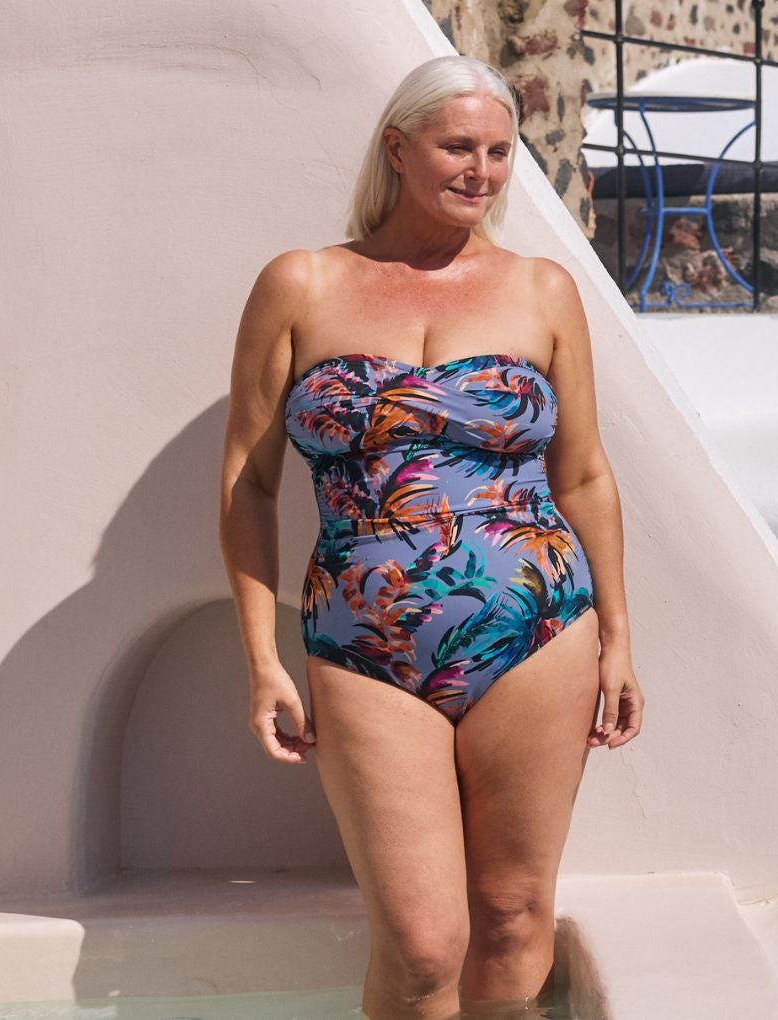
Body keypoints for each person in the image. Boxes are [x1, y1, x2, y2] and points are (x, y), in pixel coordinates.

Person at [216, 54, 643, 1019]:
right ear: (399, 149)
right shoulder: (302, 282)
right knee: (418, 948)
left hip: (538, 630)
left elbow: (583, 475)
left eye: (500, 152)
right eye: (459, 147)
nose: (482, 171)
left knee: (510, 913)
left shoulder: (543, 290)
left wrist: (618, 636)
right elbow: (248, 484)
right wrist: (260, 658)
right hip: (363, 643)